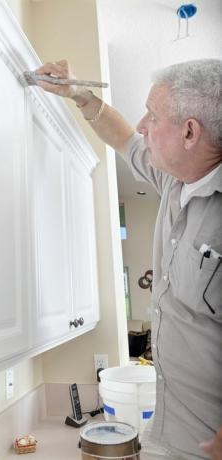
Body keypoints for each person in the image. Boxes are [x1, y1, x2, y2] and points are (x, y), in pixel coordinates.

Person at [34, 59, 222, 460]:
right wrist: (79, 95)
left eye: (153, 116)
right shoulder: (175, 180)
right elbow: (122, 137)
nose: (142, 125)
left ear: (190, 132)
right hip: (167, 427)